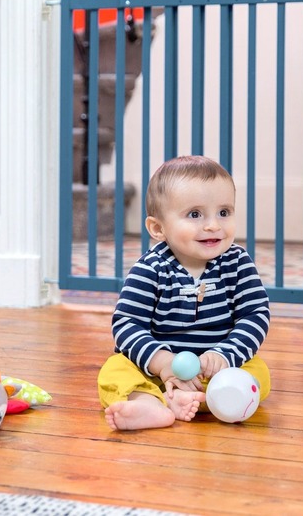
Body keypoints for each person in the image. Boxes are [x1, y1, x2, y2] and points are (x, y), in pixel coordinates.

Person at [97, 155, 271, 430]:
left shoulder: (238, 264)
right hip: (155, 371)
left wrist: (225, 355)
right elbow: (127, 325)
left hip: (215, 371)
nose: (213, 225)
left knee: (258, 371)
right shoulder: (150, 269)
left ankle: (199, 398)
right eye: (195, 214)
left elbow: (255, 316)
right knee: (114, 370)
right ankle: (148, 402)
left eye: (224, 212)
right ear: (157, 228)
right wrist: (161, 362)